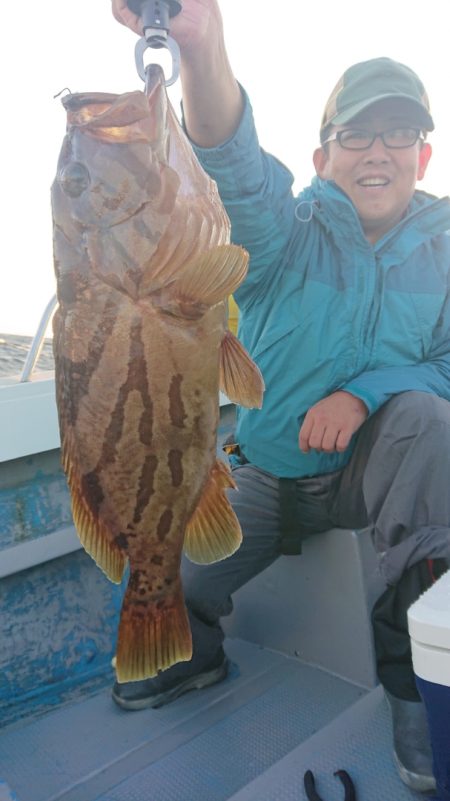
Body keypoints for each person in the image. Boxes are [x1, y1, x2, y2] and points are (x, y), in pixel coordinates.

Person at [111, 0, 450, 792]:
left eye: (399, 132)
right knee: (169, 589)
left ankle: (415, 688)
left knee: (428, 422)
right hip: (263, 470)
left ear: (424, 154)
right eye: (356, 134)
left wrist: (362, 394)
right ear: (322, 156)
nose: (377, 151)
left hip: (374, 473)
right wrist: (202, 44)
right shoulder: (280, 233)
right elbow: (231, 166)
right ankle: (197, 652)